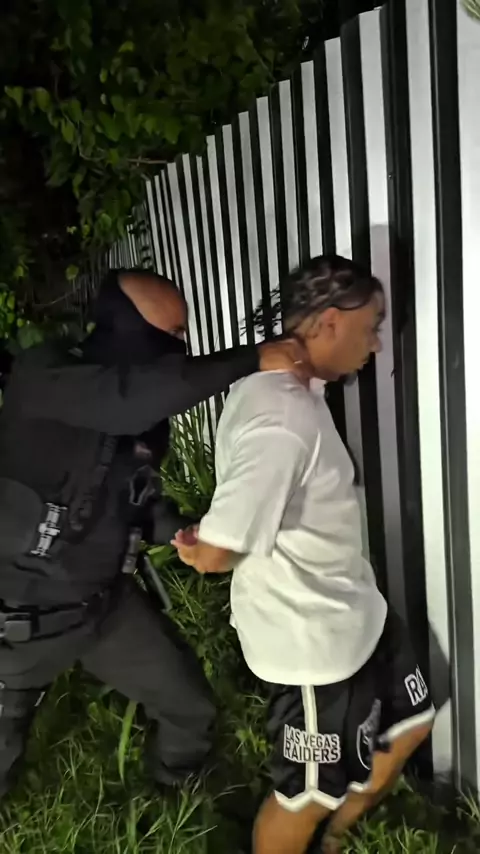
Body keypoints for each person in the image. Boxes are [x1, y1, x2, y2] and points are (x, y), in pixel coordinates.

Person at [0, 267, 310, 797]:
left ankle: (176, 792)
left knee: (189, 705)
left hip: (102, 608)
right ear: (122, 328)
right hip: (21, 625)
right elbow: (125, 402)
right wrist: (253, 358)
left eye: (182, 335)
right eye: (169, 335)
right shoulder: (46, 375)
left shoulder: (144, 419)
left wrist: (175, 529)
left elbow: (137, 494)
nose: (178, 348)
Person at [172, 255, 435, 854]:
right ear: (329, 322)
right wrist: (201, 546)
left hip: (356, 613)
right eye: (371, 327)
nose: (376, 344)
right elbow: (216, 553)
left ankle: (334, 842)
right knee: (308, 794)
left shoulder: (292, 390)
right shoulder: (281, 415)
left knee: (411, 727)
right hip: (312, 645)